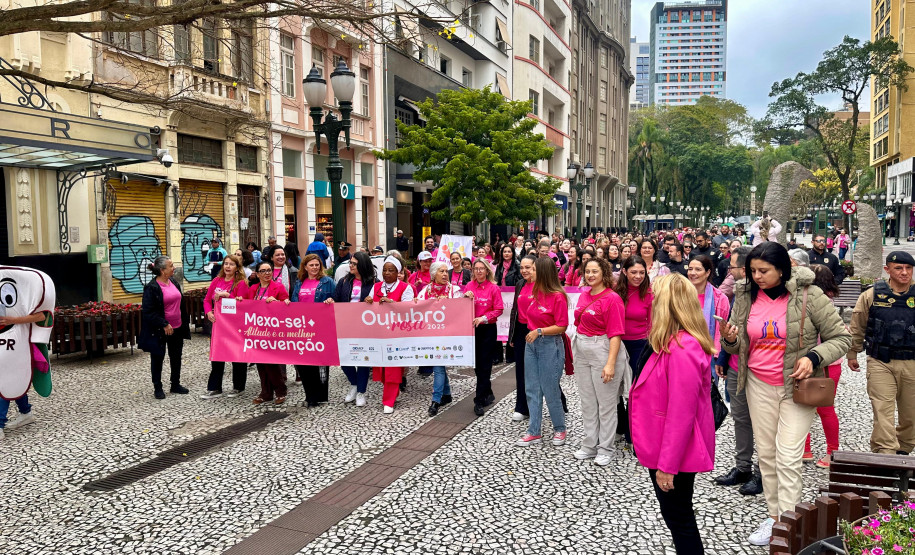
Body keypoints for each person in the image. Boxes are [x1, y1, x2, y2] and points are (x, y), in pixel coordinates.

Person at [721, 243, 850, 546]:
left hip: (796, 387)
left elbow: (842, 338)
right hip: (758, 384)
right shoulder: (745, 295)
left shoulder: (809, 295)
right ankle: (774, 516)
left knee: (789, 456)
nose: (757, 276)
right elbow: (737, 346)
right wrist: (730, 340)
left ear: (781, 269)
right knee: (767, 455)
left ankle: (788, 522)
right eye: (752, 271)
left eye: (763, 271)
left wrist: (814, 357)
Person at [631, 273, 716, 554]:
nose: (651, 302)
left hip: (673, 452)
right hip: (662, 444)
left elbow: (681, 413)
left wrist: (668, 465)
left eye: (656, 298)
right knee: (675, 515)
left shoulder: (683, 347)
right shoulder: (670, 340)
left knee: (679, 517)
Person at [847, 250, 915, 456]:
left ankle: (904, 449)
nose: (905, 272)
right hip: (880, 361)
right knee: (882, 411)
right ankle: (886, 453)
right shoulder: (872, 295)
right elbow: (858, 325)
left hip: (912, 362)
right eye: (899, 268)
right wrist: (852, 352)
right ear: (887, 270)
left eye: (909, 268)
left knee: (911, 415)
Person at [714, 245, 763, 495]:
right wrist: (723, 358)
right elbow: (731, 326)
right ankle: (742, 467)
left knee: (763, 422)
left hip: (760, 368)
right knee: (741, 418)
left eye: (732, 267)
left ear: (744, 269)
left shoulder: (768, 294)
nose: (729, 272)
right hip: (736, 365)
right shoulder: (740, 293)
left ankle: (763, 472)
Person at [572, 258, 627, 465]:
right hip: (582, 348)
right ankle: (589, 444)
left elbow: (616, 334)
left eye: (595, 271)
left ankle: (606, 448)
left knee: (606, 404)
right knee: (587, 402)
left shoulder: (613, 299)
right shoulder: (584, 294)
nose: (590, 275)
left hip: (602, 349)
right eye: (587, 271)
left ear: (604, 273)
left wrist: (610, 364)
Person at [516, 257, 569, 447]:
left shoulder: (557, 296)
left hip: (549, 344)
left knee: (550, 388)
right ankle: (534, 430)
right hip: (531, 344)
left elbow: (562, 326)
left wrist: (540, 331)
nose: (529, 272)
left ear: (543, 273)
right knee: (532, 388)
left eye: (533, 270)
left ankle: (560, 428)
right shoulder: (533, 292)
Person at [803, 265, 843, 468]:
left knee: (823, 408)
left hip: (823, 362)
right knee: (803, 405)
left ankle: (830, 451)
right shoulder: (826, 301)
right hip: (821, 362)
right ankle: (806, 449)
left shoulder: (819, 303)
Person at [326, 252, 378, 406]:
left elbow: (380, 302)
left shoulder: (374, 282)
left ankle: (361, 391)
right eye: (350, 263)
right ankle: (354, 384)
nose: (350, 266)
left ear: (362, 265)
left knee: (363, 359)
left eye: (354, 264)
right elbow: (336, 297)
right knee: (344, 358)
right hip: (345, 325)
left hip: (365, 327)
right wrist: (331, 300)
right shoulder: (344, 281)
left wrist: (373, 301)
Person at [365, 256, 415, 413]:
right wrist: (368, 300)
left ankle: (389, 400)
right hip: (379, 333)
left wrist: (391, 303)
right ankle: (393, 390)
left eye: (391, 270)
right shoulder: (376, 286)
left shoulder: (405, 288)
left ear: (398, 272)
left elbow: (408, 309)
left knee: (393, 367)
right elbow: (370, 305)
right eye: (384, 270)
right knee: (381, 368)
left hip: (397, 334)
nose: (386, 273)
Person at [139, 256, 191, 400]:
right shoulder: (152, 287)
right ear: (162, 270)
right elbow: (148, 311)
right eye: (171, 266)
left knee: (176, 356)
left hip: (177, 327)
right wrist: (164, 323)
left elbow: (180, 304)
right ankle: (158, 387)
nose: (174, 268)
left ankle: (175, 384)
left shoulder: (173, 282)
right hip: (160, 330)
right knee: (158, 358)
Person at [240, 260, 291, 404]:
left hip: (272, 330)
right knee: (260, 363)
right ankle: (266, 392)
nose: (267, 273)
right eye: (263, 271)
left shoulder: (278, 287)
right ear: (257, 274)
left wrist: (277, 302)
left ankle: (280, 390)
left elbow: (286, 305)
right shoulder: (253, 289)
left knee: (271, 362)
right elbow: (246, 306)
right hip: (257, 331)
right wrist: (239, 300)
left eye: (269, 270)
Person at [417, 261, 464, 416]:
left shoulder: (454, 290)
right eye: (441, 271)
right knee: (440, 365)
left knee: (438, 365)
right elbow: (417, 309)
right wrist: (416, 303)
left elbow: (460, 310)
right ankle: (447, 394)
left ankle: (436, 400)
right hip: (431, 334)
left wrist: (448, 303)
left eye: (446, 271)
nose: (445, 274)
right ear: (433, 274)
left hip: (447, 335)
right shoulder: (425, 291)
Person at [290, 254, 336, 407]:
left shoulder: (328, 282)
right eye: (311, 265)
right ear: (305, 267)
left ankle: (319, 396)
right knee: (303, 363)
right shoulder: (299, 282)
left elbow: (338, 299)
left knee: (320, 363)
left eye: (317, 265)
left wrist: (332, 301)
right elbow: (294, 302)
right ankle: (309, 395)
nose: (315, 267)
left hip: (321, 328)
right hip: (302, 328)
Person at [201, 254, 249, 400]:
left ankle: (238, 386)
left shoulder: (241, 283)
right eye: (226, 263)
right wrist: (208, 312)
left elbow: (243, 304)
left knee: (236, 355)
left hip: (235, 325)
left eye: (231, 264)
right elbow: (207, 300)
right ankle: (214, 387)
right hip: (219, 324)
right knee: (217, 355)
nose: (228, 266)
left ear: (237, 268)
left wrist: (227, 295)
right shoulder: (217, 280)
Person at [463, 259, 504, 416]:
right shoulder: (469, 286)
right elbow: (462, 307)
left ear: (487, 271)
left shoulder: (493, 288)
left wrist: (484, 318)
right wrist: (465, 298)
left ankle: (478, 400)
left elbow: (499, 309)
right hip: (472, 330)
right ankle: (488, 392)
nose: (479, 271)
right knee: (476, 365)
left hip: (487, 329)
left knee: (485, 365)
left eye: (482, 269)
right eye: (476, 268)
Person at [686, 255, 730, 383]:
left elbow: (721, 331)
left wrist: (718, 356)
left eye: (698, 269)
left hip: (708, 353)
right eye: (690, 269)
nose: (693, 273)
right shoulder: (680, 295)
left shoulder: (720, 298)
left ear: (708, 272)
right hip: (684, 352)